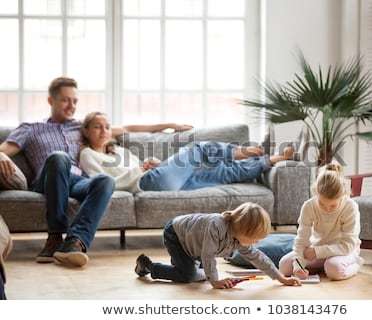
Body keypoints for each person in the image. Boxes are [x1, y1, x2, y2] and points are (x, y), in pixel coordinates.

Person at [0, 77, 192, 267]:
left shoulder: (81, 126)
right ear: (51, 101)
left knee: (105, 180)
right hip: (48, 179)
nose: (71, 106)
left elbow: (127, 128)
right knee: (59, 157)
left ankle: (75, 242)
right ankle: (55, 236)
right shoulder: (31, 129)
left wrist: (169, 125)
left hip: (77, 181)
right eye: (66, 100)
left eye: (75, 101)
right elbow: (5, 149)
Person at [78, 112, 295, 192]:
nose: (104, 131)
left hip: (157, 178)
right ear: (86, 131)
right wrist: (138, 170)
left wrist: (151, 163)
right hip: (147, 183)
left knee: (223, 173)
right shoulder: (88, 155)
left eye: (107, 127)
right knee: (198, 148)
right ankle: (249, 151)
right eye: (97, 126)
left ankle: (271, 159)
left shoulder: (119, 150)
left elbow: (139, 163)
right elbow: (101, 184)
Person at [134, 202, 302, 288]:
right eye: (254, 238)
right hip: (176, 235)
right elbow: (208, 255)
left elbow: (258, 258)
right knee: (187, 276)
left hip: (194, 244)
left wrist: (281, 278)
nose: (256, 242)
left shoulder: (239, 238)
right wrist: (215, 281)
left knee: (197, 274)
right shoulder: (216, 225)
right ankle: (148, 266)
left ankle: (180, 265)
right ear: (242, 230)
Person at [279, 161, 363, 281]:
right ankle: (323, 266)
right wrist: (298, 267)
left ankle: (355, 264)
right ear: (316, 192)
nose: (327, 209)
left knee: (334, 270)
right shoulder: (309, 206)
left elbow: (347, 246)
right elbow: (301, 240)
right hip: (317, 249)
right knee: (284, 267)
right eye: (322, 204)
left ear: (342, 195)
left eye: (333, 205)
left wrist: (316, 252)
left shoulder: (350, 207)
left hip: (344, 251)